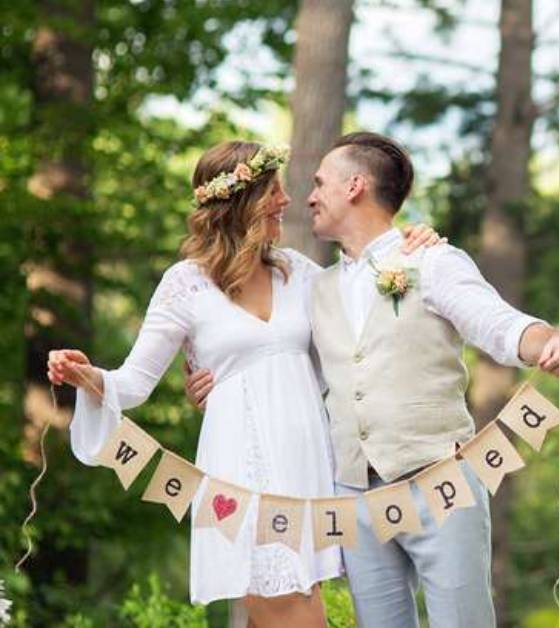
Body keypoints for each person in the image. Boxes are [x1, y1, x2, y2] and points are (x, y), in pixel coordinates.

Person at [186, 131, 559, 627]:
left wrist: (547, 341)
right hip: (355, 498)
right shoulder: (312, 285)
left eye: (319, 183)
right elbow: (273, 362)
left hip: (442, 482)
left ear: (355, 186)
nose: (305, 196)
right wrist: (215, 384)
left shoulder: (432, 261)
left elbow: (498, 322)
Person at [46, 140, 442, 627]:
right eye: (274, 190)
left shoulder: (299, 273)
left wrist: (410, 244)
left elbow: (361, 310)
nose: (287, 201)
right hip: (241, 476)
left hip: (308, 475)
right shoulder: (184, 284)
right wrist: (91, 377)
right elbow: (133, 384)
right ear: (243, 201)